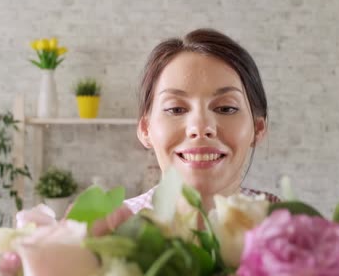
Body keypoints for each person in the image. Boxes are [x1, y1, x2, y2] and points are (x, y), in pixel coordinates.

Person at [90, 28, 280, 236]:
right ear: (146, 129)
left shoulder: (287, 226)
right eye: (176, 109)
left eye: (226, 108)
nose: (200, 127)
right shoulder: (110, 230)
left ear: (258, 128)